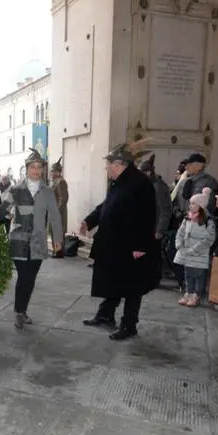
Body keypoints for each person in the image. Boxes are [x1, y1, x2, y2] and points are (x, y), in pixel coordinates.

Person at [80, 140, 156, 340]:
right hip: (112, 243)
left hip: (130, 245)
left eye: (109, 164)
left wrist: (140, 246)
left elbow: (148, 216)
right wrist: (89, 221)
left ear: (120, 164)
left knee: (131, 286)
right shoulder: (119, 182)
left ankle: (129, 325)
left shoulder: (140, 183)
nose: (107, 168)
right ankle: (106, 315)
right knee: (111, 281)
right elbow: (106, 206)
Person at [0, 149, 64, 330]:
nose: (36, 171)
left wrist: (58, 239)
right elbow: (2, 209)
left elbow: (55, 216)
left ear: (43, 170)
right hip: (18, 240)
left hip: (38, 242)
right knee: (24, 277)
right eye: (32, 167)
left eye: (39, 168)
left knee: (30, 279)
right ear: (26, 169)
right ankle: (18, 312)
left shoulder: (47, 192)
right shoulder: (16, 190)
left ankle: (23, 310)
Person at [174, 188, 217, 307]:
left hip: (199, 253)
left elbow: (209, 239)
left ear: (201, 206)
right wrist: (179, 244)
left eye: (194, 204)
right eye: (190, 203)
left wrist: (195, 249)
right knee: (188, 273)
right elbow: (181, 232)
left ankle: (196, 294)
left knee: (198, 274)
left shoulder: (208, 221)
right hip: (186, 251)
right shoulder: (187, 218)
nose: (190, 206)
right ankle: (188, 291)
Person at [138, 153, 173, 289]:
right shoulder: (146, 184)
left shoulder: (158, 186)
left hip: (155, 227)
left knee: (153, 255)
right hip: (146, 226)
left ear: (148, 172)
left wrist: (160, 229)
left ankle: (154, 279)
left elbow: (165, 209)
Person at [50, 157, 69, 258]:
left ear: (57, 172)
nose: (51, 173)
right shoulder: (54, 181)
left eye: (52, 171)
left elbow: (64, 198)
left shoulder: (61, 182)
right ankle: (56, 250)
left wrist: (58, 212)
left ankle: (59, 252)